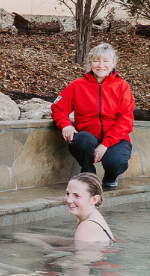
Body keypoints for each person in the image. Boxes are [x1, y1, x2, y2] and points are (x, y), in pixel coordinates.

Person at [52, 43, 135, 189]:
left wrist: (105, 144)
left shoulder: (122, 87)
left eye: (106, 61)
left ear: (113, 63)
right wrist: (66, 125)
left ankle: (110, 176)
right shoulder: (77, 85)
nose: (101, 65)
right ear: (90, 62)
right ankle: (88, 172)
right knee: (81, 140)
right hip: (88, 137)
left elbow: (125, 121)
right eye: (96, 61)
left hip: (115, 139)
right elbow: (58, 108)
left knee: (117, 162)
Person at [13, 173, 115, 250]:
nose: (69, 200)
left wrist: (39, 244)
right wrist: (23, 236)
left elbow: (78, 264)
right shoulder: (92, 215)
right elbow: (73, 244)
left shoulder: (87, 226)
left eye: (77, 196)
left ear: (94, 199)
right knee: (21, 236)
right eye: (67, 193)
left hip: (93, 264)